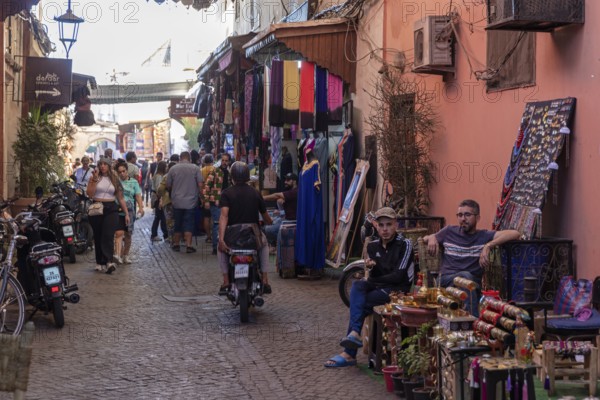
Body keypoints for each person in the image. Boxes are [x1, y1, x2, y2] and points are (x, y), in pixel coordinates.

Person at [324, 207, 414, 368]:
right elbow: (373, 276)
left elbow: (398, 276)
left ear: (396, 225)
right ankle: (353, 336)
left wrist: (375, 278)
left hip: (398, 291)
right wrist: (371, 268)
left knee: (361, 303)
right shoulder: (373, 247)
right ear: (376, 227)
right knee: (358, 285)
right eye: (381, 225)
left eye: (389, 225)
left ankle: (349, 350)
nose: (385, 229)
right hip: (380, 287)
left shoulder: (405, 244)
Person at [422, 199, 521, 317]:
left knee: (468, 278)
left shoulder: (483, 236)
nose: (463, 219)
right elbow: (424, 239)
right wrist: (432, 237)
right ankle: (473, 322)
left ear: (478, 218)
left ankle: (470, 321)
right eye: (460, 215)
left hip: (472, 284)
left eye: (467, 215)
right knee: (465, 276)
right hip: (446, 280)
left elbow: (515, 233)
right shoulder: (449, 232)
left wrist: (488, 245)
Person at [217, 161, 273, 295]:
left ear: (232, 177)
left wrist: (221, 239)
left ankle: (225, 280)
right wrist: (270, 221)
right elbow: (266, 217)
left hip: (232, 237)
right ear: (248, 176)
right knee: (264, 245)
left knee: (221, 249)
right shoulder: (255, 193)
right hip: (253, 236)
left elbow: (224, 216)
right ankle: (265, 279)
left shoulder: (226, 193)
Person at [86, 157, 130, 274]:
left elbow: (120, 197)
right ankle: (99, 262)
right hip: (97, 207)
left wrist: (126, 213)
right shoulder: (94, 178)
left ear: (109, 166)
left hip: (111, 208)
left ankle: (109, 261)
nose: (103, 166)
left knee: (108, 234)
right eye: (101, 164)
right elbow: (90, 194)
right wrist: (94, 180)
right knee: (98, 235)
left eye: (105, 164)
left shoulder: (115, 179)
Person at [166, 151, 203, 253]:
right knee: (189, 223)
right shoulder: (195, 168)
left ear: (180, 158)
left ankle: (176, 244)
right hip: (191, 201)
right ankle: (188, 245)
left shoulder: (173, 169)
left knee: (177, 222)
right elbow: (200, 184)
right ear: (189, 158)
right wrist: (202, 197)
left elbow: (168, 184)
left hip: (177, 201)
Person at [114, 161, 144, 264]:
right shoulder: (116, 182)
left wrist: (141, 207)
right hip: (118, 211)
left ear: (127, 171)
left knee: (128, 234)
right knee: (118, 233)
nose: (122, 173)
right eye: (120, 172)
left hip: (130, 211)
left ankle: (125, 255)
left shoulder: (134, 182)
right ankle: (118, 254)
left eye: (124, 171)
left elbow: (138, 196)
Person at [263, 172, 298, 246]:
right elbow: (279, 200)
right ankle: (275, 245)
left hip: (290, 223)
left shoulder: (295, 192)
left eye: (288, 180)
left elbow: (276, 195)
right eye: (285, 180)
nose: (285, 182)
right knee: (269, 223)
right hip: (286, 220)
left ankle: (276, 245)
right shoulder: (290, 192)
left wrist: (262, 198)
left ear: (294, 181)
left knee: (266, 230)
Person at [150, 161, 168, 241]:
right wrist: (160, 199)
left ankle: (156, 234)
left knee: (158, 217)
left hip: (157, 198)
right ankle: (163, 235)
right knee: (160, 217)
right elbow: (158, 189)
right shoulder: (159, 176)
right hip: (158, 198)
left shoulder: (158, 175)